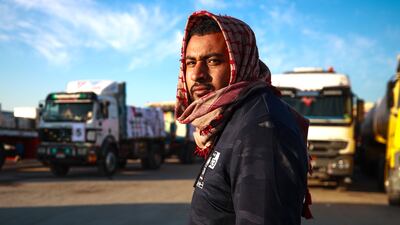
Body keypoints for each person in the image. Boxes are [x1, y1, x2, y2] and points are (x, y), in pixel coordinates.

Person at [175, 11, 312, 225]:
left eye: (212, 61)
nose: (197, 74)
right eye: (190, 62)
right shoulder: (231, 118)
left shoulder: (261, 128)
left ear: (240, 63)